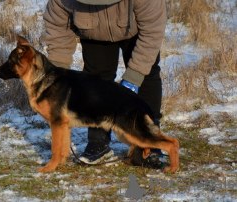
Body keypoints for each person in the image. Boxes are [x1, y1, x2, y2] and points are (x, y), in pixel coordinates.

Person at [43, 0, 167, 168]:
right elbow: (58, 31)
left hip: (136, 32)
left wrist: (134, 76)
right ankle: (98, 143)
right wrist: (56, 78)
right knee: (94, 80)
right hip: (94, 34)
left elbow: (152, 31)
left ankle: (151, 141)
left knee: (147, 75)